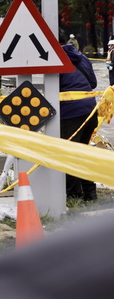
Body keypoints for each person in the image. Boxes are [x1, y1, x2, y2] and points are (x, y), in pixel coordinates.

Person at [59, 33, 98, 201]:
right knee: (82, 152)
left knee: (69, 154)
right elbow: (93, 84)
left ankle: (73, 195)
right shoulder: (82, 58)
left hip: (71, 114)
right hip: (90, 111)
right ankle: (90, 194)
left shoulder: (56, 61)